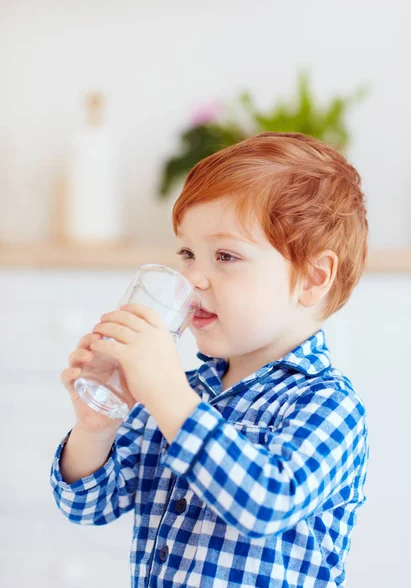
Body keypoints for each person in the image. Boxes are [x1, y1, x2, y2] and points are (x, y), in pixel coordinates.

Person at [50, 132, 369, 587]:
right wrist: (96, 426)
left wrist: (168, 397)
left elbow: (265, 503)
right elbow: (87, 506)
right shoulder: (180, 391)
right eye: (187, 253)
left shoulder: (329, 407)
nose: (193, 277)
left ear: (312, 278)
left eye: (225, 256)